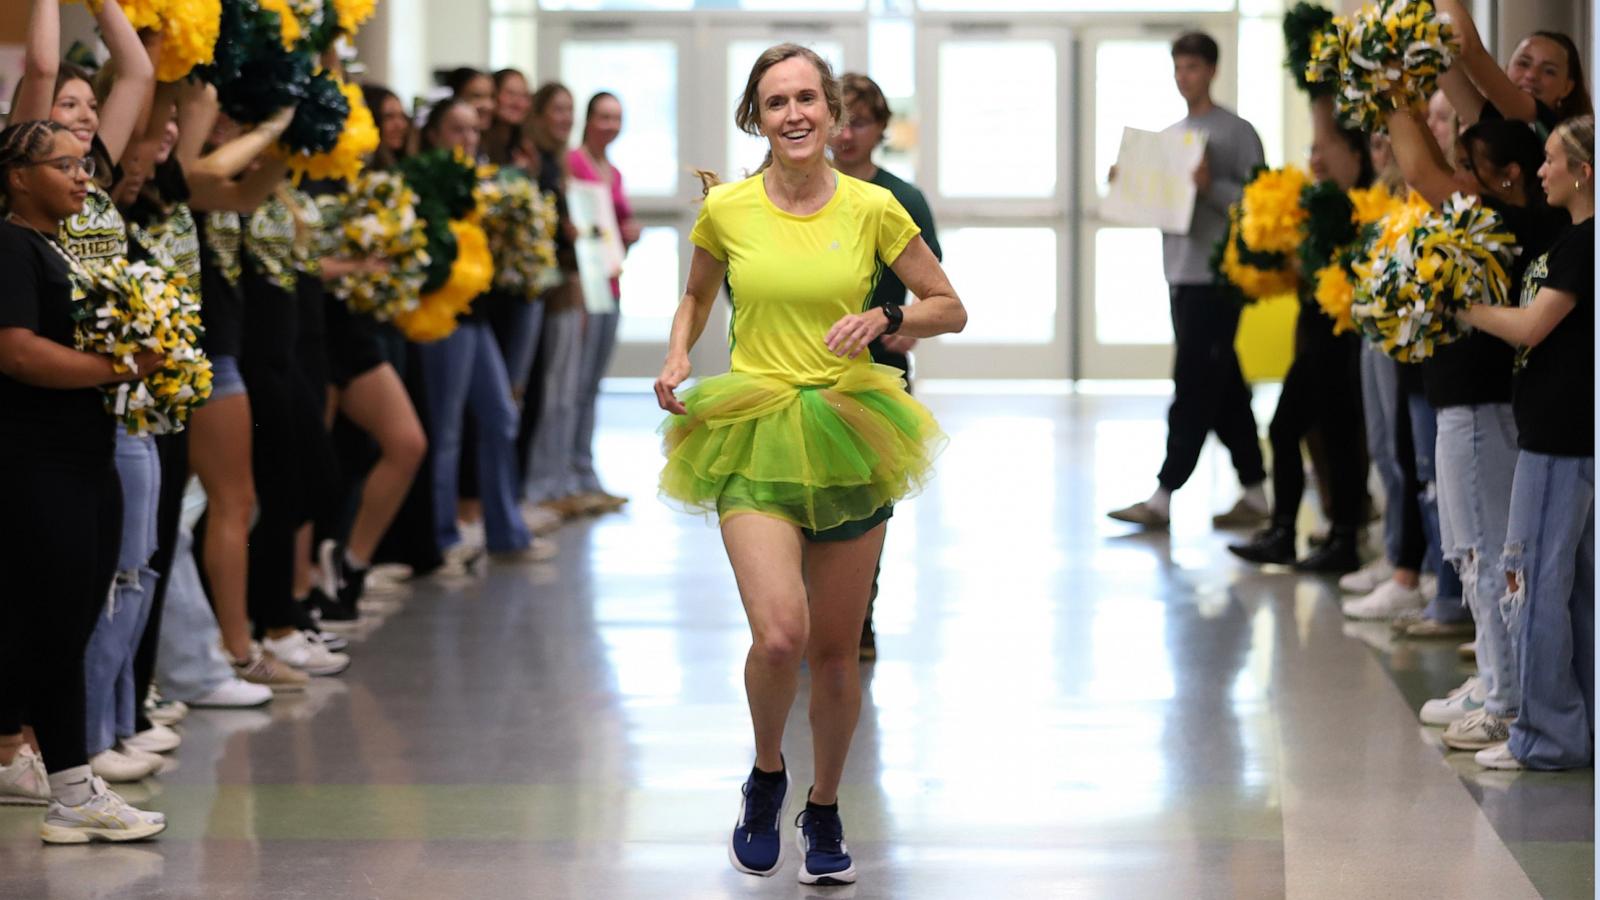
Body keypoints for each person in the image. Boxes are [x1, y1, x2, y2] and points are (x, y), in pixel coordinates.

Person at [655, 44, 965, 886]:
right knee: (779, 635)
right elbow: (695, 293)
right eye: (776, 101)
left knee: (834, 652)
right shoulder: (729, 209)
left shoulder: (873, 207)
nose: (794, 114)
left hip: (850, 427)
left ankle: (823, 806)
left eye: (807, 99)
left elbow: (950, 307)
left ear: (831, 113)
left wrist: (886, 315)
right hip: (751, 426)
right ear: (758, 117)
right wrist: (679, 353)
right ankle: (766, 775)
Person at [0, 117, 166, 841]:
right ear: (17, 176)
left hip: (83, 461)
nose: (81, 177)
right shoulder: (10, 245)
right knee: (56, 627)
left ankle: (68, 783)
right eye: (65, 164)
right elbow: (19, 354)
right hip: (37, 466)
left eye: (86, 166)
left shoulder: (55, 249)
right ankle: (70, 788)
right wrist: (119, 369)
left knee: (65, 621)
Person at [1384, 108, 1571, 751]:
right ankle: (1496, 680)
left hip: (1480, 410)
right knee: (1473, 552)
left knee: (1486, 553)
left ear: (1506, 177)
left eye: (1468, 168)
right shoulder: (1504, 219)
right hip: (1467, 409)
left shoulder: (1510, 221)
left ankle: (1505, 698)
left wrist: (1389, 83)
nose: (1455, 179)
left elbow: (1417, 169)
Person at [1459, 115, 1594, 771]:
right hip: (1567, 435)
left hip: (1562, 440)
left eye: (1550, 160)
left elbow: (1535, 326)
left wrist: (1464, 309)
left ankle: (1546, 735)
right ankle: (1580, 724)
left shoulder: (1582, 246)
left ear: (1583, 172)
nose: (1540, 171)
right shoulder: (1577, 240)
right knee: (1572, 589)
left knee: (1533, 584)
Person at [1107, 32, 1268, 531]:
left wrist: (1210, 187)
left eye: (1193, 67)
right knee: (1223, 384)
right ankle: (1257, 493)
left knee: (1194, 382)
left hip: (1218, 276)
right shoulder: (1170, 137)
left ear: (1212, 70)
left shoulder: (1237, 132)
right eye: (1178, 68)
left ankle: (1163, 494)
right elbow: (1159, 204)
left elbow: (1261, 204)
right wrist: (1128, 183)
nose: (1184, 77)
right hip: (1180, 272)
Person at [1227, 110, 1372, 574]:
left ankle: (1335, 535)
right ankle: (1289, 531)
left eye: (1324, 148)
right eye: (1311, 150)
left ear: (1354, 153)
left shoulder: (1364, 207)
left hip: (1340, 340)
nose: (1316, 158)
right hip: (1315, 333)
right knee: (1300, 432)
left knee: (1332, 437)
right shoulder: (1320, 203)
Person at [828, 72, 942, 662]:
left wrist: (902, 327)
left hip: (879, 369)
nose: (847, 135)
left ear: (880, 130)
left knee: (869, 500)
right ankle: (811, 614)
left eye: (861, 122)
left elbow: (935, 293)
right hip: (809, 368)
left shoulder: (902, 197)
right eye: (839, 120)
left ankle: (859, 614)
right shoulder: (796, 190)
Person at [565, 91, 640, 515]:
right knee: (574, 386)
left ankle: (584, 470)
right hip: (583, 291)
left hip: (609, 286)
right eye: (603, 116)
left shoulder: (613, 172)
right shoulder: (574, 164)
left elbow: (615, 224)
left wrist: (630, 232)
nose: (610, 124)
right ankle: (570, 473)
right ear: (588, 120)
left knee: (591, 385)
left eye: (617, 117)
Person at [1437, 0, 1591, 135]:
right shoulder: (1497, 120)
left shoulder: (1549, 127)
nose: (1531, 75)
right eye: (1523, 63)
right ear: (1505, 69)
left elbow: (1465, 45)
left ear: (1567, 88)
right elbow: (1436, 61)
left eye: (1549, 71)